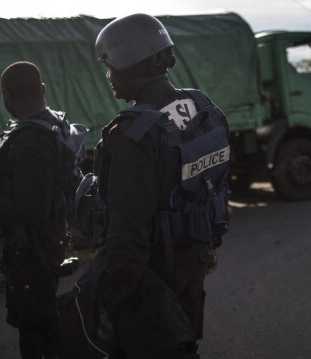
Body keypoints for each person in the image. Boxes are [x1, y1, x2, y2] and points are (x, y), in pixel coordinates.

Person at [92, 13, 230, 358]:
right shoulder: (205, 108)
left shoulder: (132, 134)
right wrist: (210, 243)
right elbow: (216, 185)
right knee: (182, 343)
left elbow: (128, 232)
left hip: (151, 275)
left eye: (110, 68)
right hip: (194, 260)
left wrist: (109, 298)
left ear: (128, 65)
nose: (109, 78)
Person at [0, 61, 84, 359]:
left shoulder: (29, 141)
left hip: (31, 255)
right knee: (43, 328)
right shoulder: (54, 125)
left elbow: (30, 210)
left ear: (7, 95)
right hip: (50, 242)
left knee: (38, 335)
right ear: (42, 89)